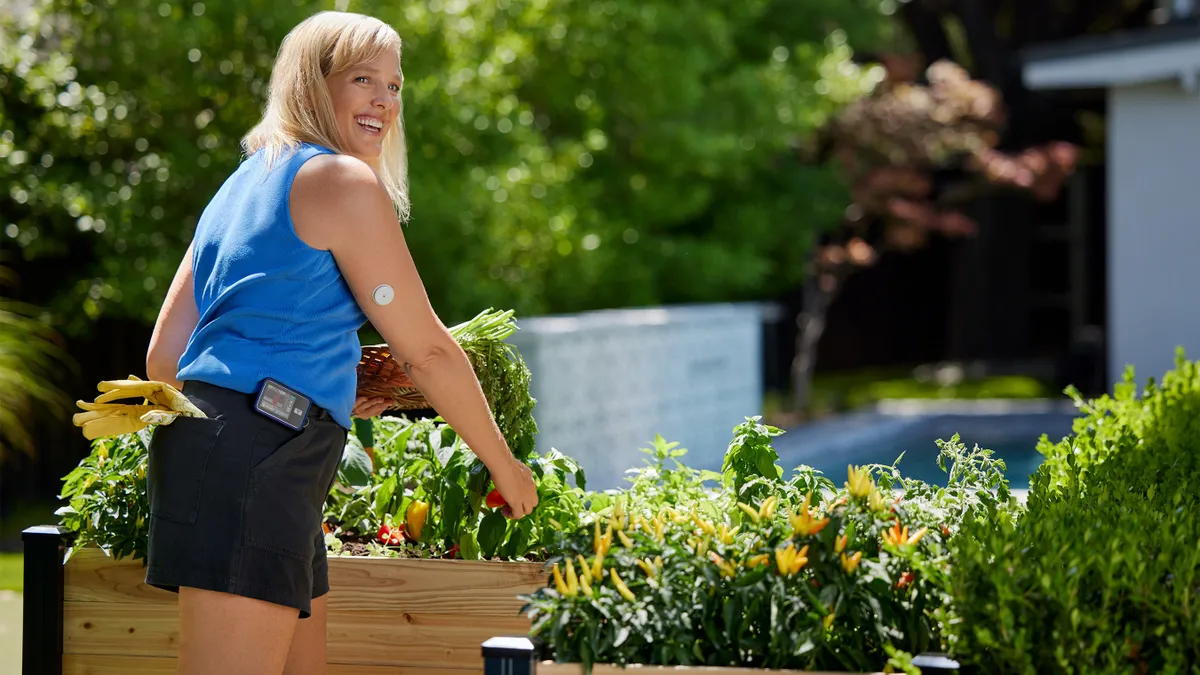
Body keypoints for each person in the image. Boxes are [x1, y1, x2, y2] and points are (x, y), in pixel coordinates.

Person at [143, 10, 539, 675]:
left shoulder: (240, 183)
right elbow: (429, 352)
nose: (385, 100)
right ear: (312, 84)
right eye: (364, 79)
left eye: (395, 84)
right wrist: (506, 466)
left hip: (245, 452)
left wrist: (315, 385)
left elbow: (165, 358)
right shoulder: (342, 181)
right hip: (260, 460)